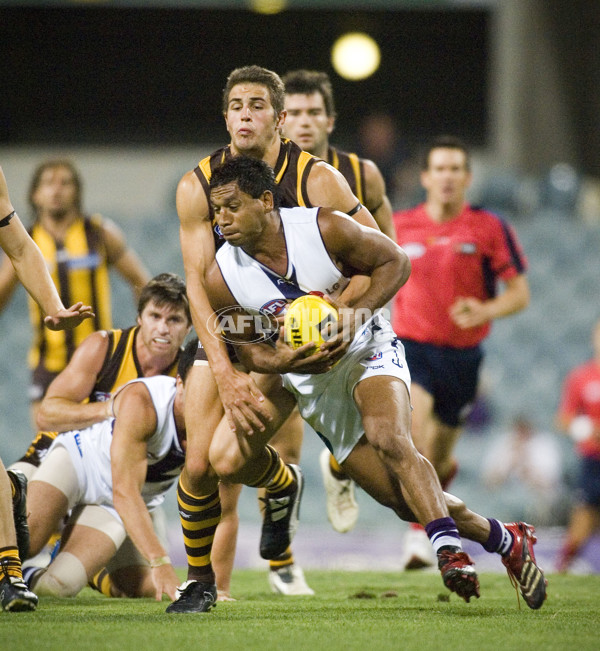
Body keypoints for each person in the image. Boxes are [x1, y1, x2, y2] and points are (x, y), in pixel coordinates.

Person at [203, 155, 547, 610]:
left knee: (391, 438)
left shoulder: (322, 228)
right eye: (216, 209)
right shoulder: (220, 276)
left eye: (231, 206)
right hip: (311, 386)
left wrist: (355, 316)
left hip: (367, 348)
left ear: (266, 201)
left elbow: (396, 262)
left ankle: (448, 552)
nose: (221, 219)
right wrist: (283, 358)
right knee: (403, 501)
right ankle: (506, 540)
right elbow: (245, 349)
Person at [170, 64, 382, 609]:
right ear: (225, 117)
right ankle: (201, 583)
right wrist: (223, 369)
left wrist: (342, 311)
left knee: (238, 454)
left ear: (280, 118)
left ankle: (284, 536)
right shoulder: (197, 185)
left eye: (258, 105)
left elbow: (376, 252)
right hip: (231, 326)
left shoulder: (318, 180)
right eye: (236, 105)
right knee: (198, 463)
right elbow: (197, 286)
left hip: (302, 334)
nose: (246, 114)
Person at [322, 135, 530, 569]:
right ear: (425, 177)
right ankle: (424, 539)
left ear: (468, 178)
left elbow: (520, 294)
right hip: (412, 347)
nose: (447, 177)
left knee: (440, 454)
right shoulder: (401, 224)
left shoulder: (489, 227)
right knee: (418, 437)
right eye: (439, 168)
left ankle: (427, 518)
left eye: (456, 169)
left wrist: (486, 308)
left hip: (464, 358)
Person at [282, 69, 394, 533]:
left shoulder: (360, 174)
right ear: (280, 120)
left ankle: (341, 464)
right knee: (279, 440)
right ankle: (280, 554)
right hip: (291, 313)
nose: (305, 123)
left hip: (355, 306)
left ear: (330, 120)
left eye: (314, 112)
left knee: (381, 426)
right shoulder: (268, 174)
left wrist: (353, 304)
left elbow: (387, 244)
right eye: (295, 113)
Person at [22, 338, 197, 601]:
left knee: (57, 588)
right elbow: (125, 491)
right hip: (79, 462)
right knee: (21, 544)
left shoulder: (220, 419)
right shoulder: (144, 400)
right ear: (179, 382)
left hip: (116, 503)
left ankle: (28, 575)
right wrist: (160, 561)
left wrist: (216, 583)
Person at [0, 164, 93, 612]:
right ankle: (18, 493)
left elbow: (18, 245)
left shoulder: (99, 234)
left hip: (94, 370)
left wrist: (53, 306)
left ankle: (10, 572)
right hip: (48, 371)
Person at [0, 159, 150, 427]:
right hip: (49, 362)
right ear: (35, 193)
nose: (56, 190)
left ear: (77, 191)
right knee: (45, 443)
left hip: (98, 358)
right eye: (48, 183)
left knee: (105, 436)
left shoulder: (99, 232)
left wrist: (145, 329)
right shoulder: (25, 240)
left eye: (65, 183)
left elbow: (141, 282)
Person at [555, 318, 600, 572]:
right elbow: (564, 419)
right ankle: (562, 567)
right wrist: (586, 429)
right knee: (583, 520)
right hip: (593, 459)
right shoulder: (581, 377)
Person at [482, 415, 565, 526]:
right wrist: (509, 465)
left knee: (535, 506)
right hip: (506, 497)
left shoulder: (545, 445)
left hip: (536, 497)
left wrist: (526, 465)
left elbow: (549, 484)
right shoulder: (504, 443)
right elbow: (489, 482)